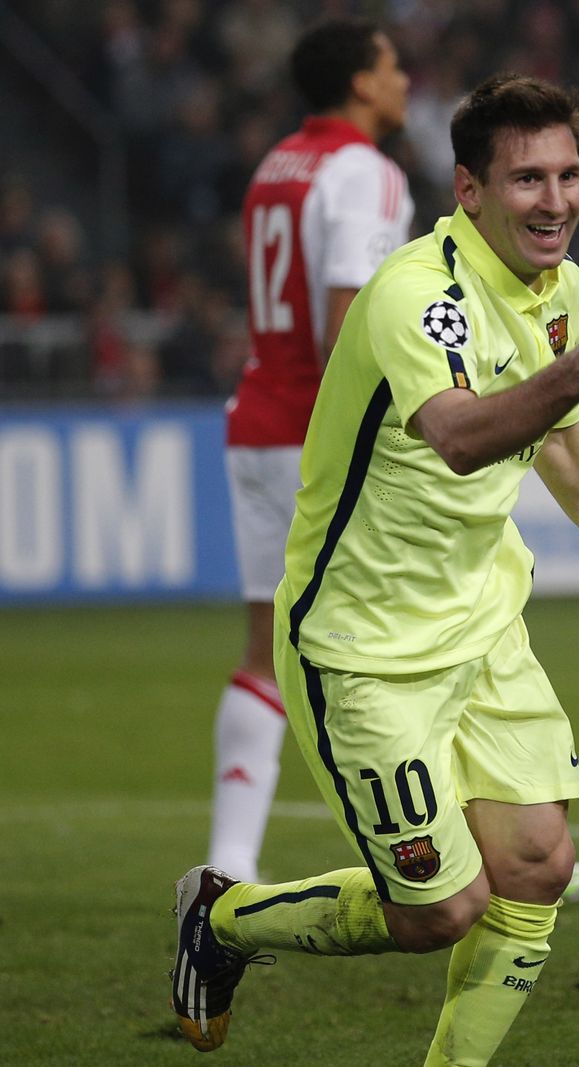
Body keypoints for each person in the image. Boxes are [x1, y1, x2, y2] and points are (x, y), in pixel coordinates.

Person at [173, 74, 579, 1062]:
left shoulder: (563, 293)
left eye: (567, 174)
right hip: (363, 645)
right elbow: (461, 437)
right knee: (440, 909)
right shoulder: (415, 293)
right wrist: (569, 374)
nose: (553, 199)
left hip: (480, 628)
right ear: (469, 190)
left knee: (537, 865)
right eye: (525, 179)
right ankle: (221, 922)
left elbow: (559, 444)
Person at [207, 18, 414, 882]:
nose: (404, 79)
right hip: (320, 440)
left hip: (256, 423)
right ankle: (464, 856)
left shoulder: (278, 165)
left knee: (266, 653)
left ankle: (224, 869)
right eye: (393, 65)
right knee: (411, 639)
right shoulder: (365, 172)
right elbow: (348, 328)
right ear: (362, 83)